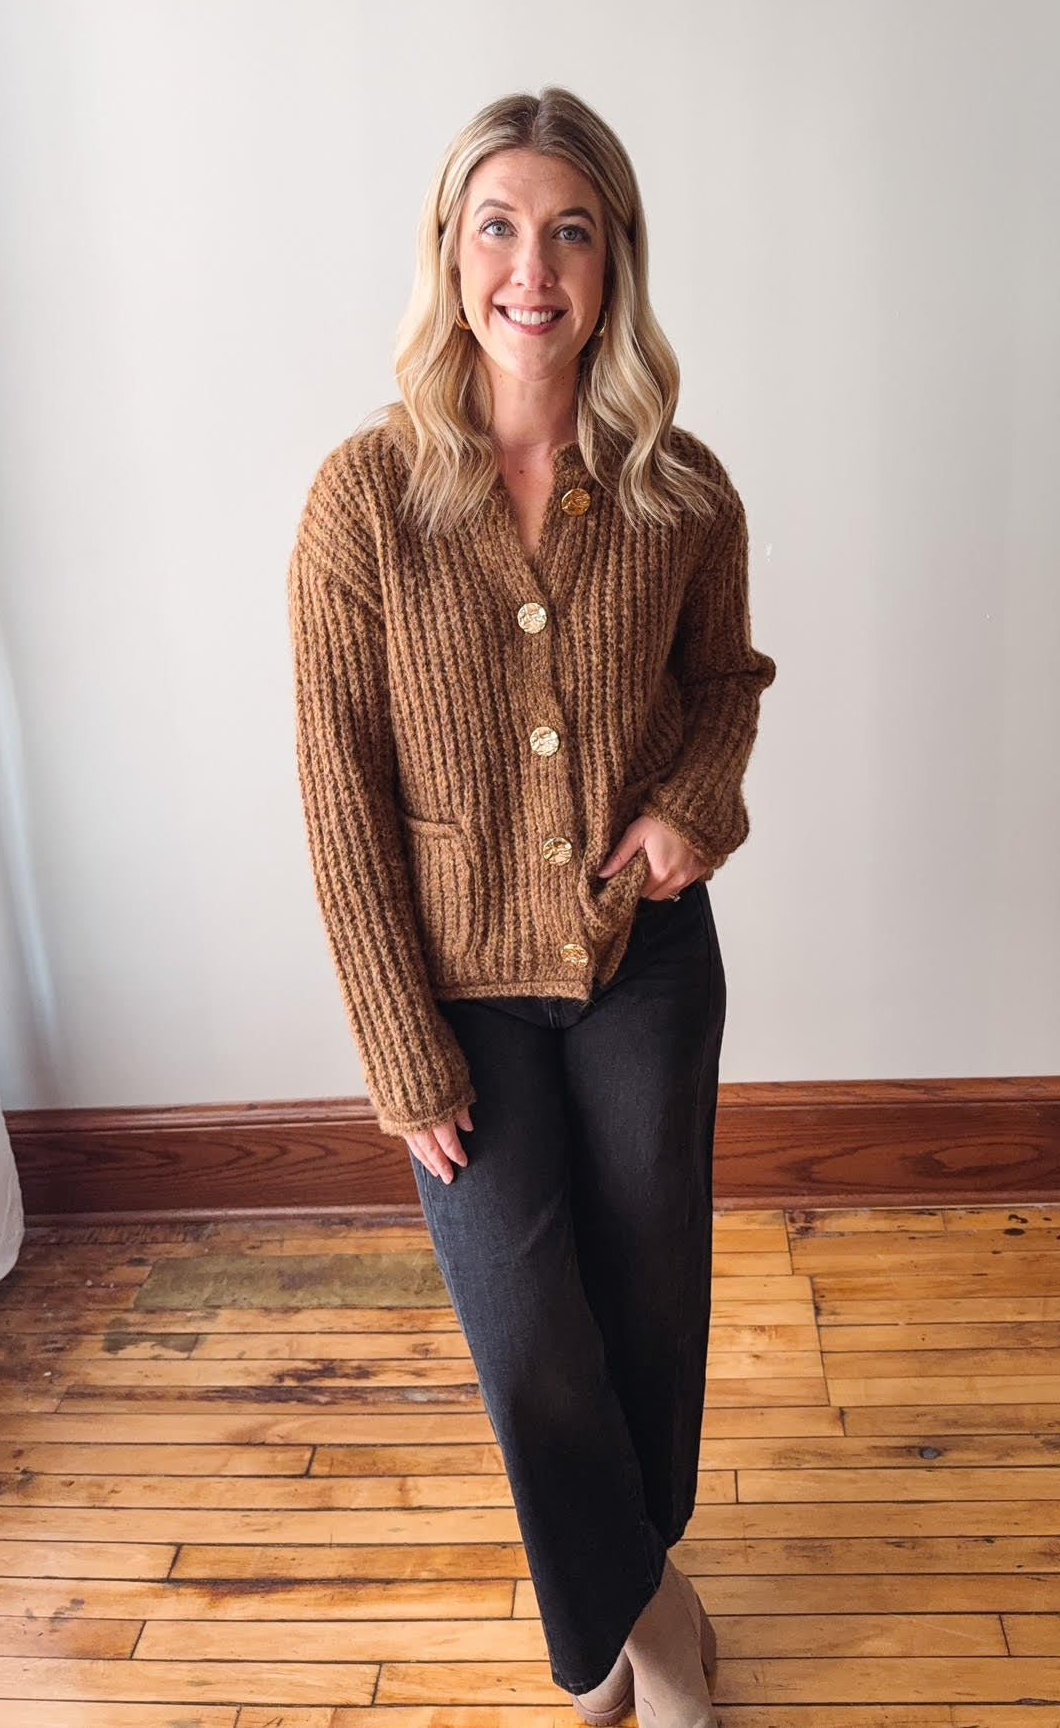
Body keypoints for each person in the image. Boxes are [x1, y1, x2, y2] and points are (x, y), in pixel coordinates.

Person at [287, 85, 776, 1728]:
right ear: (449, 253)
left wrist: (690, 807)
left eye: (572, 227)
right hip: (457, 987)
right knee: (524, 1323)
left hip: (644, 961)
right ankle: (654, 1607)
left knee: (646, 1297)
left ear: (614, 259)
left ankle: (636, 1605)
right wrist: (398, 1044)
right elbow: (337, 781)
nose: (533, 265)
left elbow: (726, 684)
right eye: (497, 223)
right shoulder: (363, 500)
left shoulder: (682, 487)